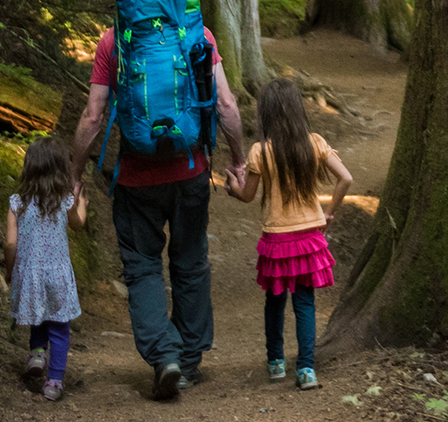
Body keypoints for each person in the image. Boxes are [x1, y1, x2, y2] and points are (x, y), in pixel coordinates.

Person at [72, 24, 245, 399]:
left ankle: (165, 358)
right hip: (191, 171)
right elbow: (226, 104)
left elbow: (92, 115)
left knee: (142, 267)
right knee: (191, 261)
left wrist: (75, 173)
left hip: (137, 179)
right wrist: (240, 160)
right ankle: (189, 360)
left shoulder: (112, 41)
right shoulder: (200, 34)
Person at [225, 78, 352, 390]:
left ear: (266, 114)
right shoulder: (315, 143)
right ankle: (307, 369)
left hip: (276, 240)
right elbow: (346, 178)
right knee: (305, 302)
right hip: (309, 237)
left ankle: (276, 362)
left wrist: (232, 186)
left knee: (275, 300)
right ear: (297, 111)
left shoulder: (260, 152)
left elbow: (247, 195)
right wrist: (327, 213)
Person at [4, 136, 87, 402]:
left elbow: (10, 243)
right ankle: (54, 381)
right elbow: (77, 224)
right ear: (61, 169)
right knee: (59, 326)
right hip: (58, 275)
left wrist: (10, 270)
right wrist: (81, 205)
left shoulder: (17, 203)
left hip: (30, 273)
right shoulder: (64, 201)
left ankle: (37, 355)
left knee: (37, 315)